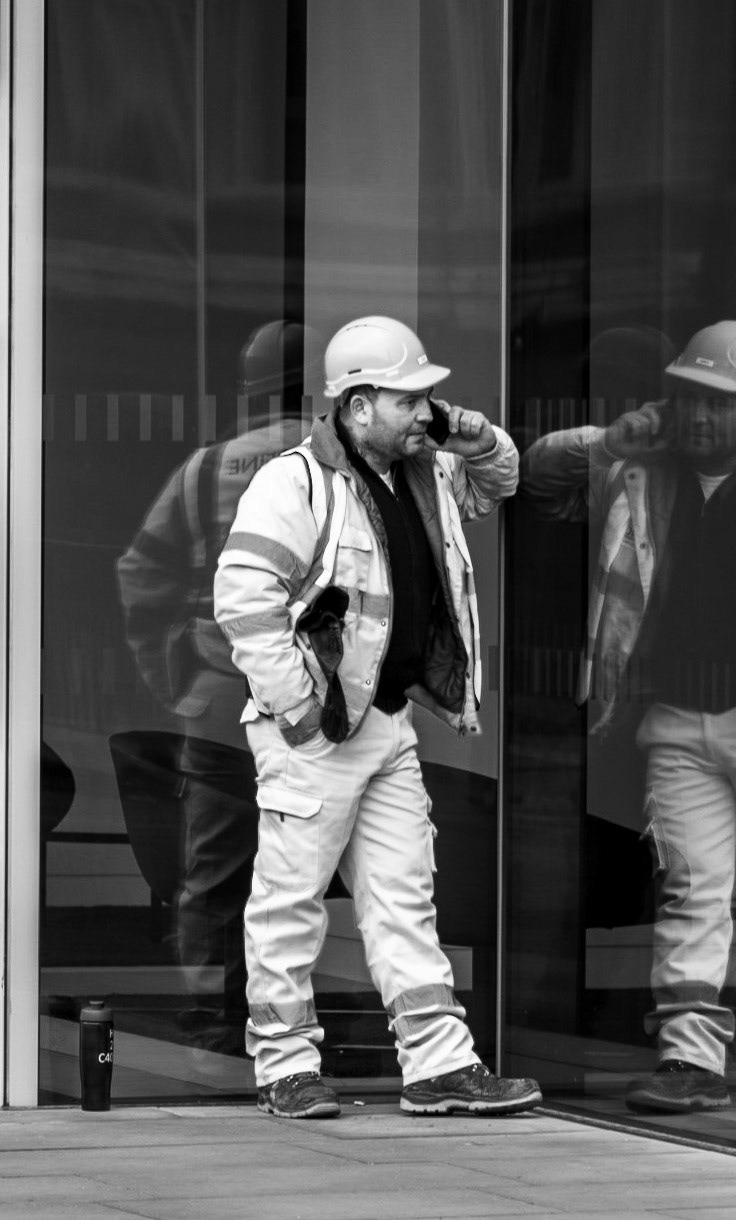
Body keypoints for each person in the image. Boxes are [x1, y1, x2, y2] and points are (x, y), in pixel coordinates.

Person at [519, 320, 736, 1113]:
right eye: (688, 399)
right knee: (692, 890)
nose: (699, 417)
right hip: (677, 719)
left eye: (719, 403)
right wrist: (611, 437)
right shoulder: (636, 468)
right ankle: (690, 1058)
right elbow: (537, 479)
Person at [215, 315, 539, 1118]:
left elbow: (500, 478)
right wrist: (300, 711)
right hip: (318, 731)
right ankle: (284, 1069)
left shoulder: (423, 470)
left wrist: (465, 428)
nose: (425, 410)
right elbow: (242, 599)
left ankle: (437, 1067)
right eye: (409, 397)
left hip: (386, 723)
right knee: (290, 901)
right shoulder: (295, 481)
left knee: (405, 897)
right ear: (357, 406)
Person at [116, 320, 320, 1052]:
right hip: (330, 701)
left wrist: (172, 675)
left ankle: (213, 1008)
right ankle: (298, 1011)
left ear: (250, 388)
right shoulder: (343, 462)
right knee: (339, 866)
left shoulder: (208, 468)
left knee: (214, 865)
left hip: (220, 698)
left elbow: (141, 573)